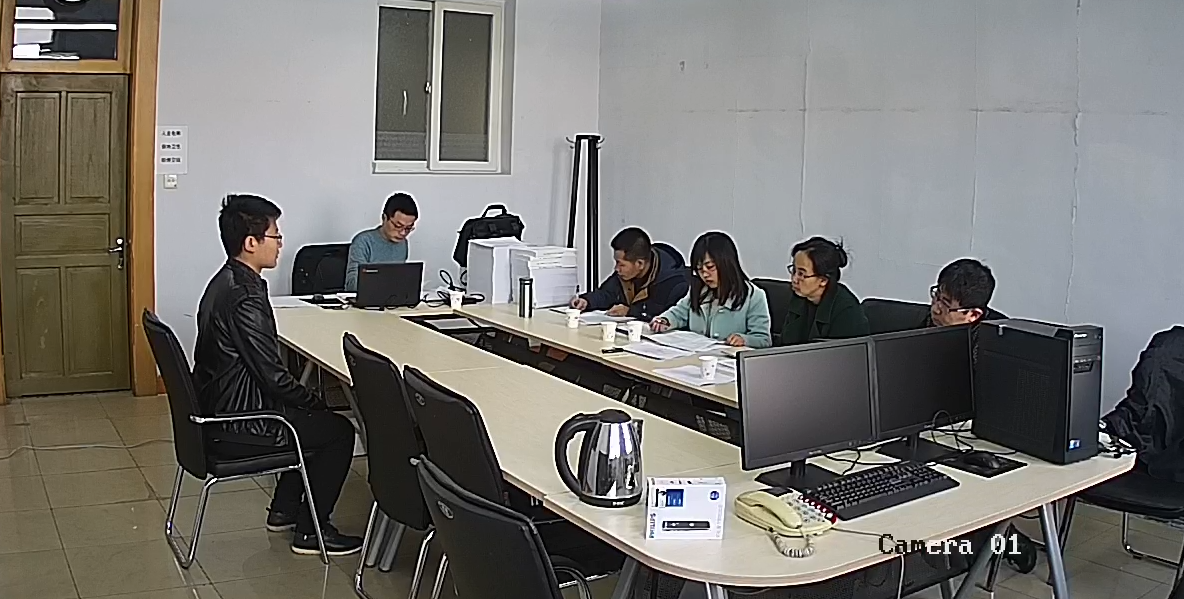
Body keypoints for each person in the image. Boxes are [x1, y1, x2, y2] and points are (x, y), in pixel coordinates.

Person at [192, 194, 363, 556]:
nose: (281, 244)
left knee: (310, 417)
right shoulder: (244, 296)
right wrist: (317, 403)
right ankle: (312, 531)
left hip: (223, 408)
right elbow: (274, 378)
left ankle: (284, 511)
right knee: (337, 431)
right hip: (240, 422)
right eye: (276, 236)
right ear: (251, 243)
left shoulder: (227, 280)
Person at [650, 232, 771, 348]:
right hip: (696, 354)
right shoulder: (699, 289)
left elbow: (763, 339)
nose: (705, 274)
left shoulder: (753, 296)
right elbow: (679, 313)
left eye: (710, 267)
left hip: (727, 359)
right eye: (699, 269)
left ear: (726, 263)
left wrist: (744, 339)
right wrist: (665, 320)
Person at [571, 227, 689, 320]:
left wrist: (630, 311)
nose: (617, 269)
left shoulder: (674, 282)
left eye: (621, 264)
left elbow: (668, 316)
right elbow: (607, 294)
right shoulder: (625, 274)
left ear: (640, 264)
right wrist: (587, 301)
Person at [779, 236, 869, 346]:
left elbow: (844, 354)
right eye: (794, 270)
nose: (794, 279)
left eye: (801, 274)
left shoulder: (846, 311)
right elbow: (785, 343)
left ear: (823, 280)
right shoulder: (799, 297)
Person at [344, 192, 418, 291]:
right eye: (398, 226)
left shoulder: (403, 243)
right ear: (384, 218)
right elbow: (351, 285)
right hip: (367, 298)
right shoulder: (363, 242)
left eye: (408, 228)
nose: (403, 233)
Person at [926, 258, 1002, 327]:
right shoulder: (922, 321)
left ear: (973, 315)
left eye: (946, 304)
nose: (935, 309)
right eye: (936, 295)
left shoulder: (998, 335)